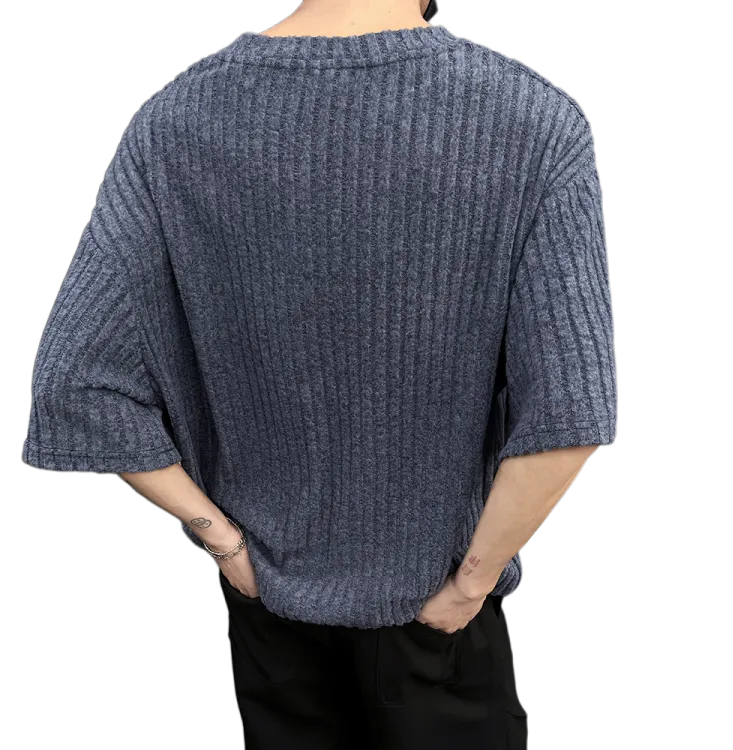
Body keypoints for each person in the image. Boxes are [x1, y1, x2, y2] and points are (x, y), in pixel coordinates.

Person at [20, 1, 617, 748]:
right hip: (440, 622)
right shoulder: (532, 119)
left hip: (270, 616)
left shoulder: (176, 120)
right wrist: (472, 581)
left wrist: (223, 541)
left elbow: (77, 381)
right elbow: (570, 408)